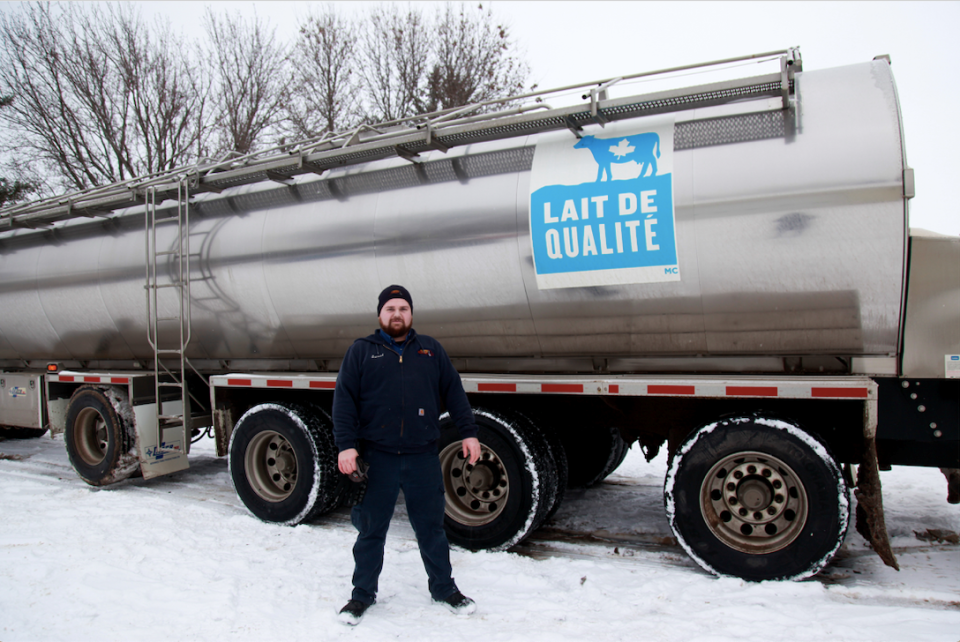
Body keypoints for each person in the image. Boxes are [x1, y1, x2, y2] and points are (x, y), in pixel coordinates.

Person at [333, 284, 482, 626]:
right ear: (380, 315)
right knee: (371, 530)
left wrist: (469, 433)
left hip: (422, 457)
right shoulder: (361, 351)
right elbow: (344, 401)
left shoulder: (430, 350)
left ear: (411, 314)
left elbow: (454, 393)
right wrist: (346, 445)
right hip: (378, 458)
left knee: (431, 528)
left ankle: (444, 589)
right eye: (390, 309)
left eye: (402, 308)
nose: (396, 314)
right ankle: (361, 596)